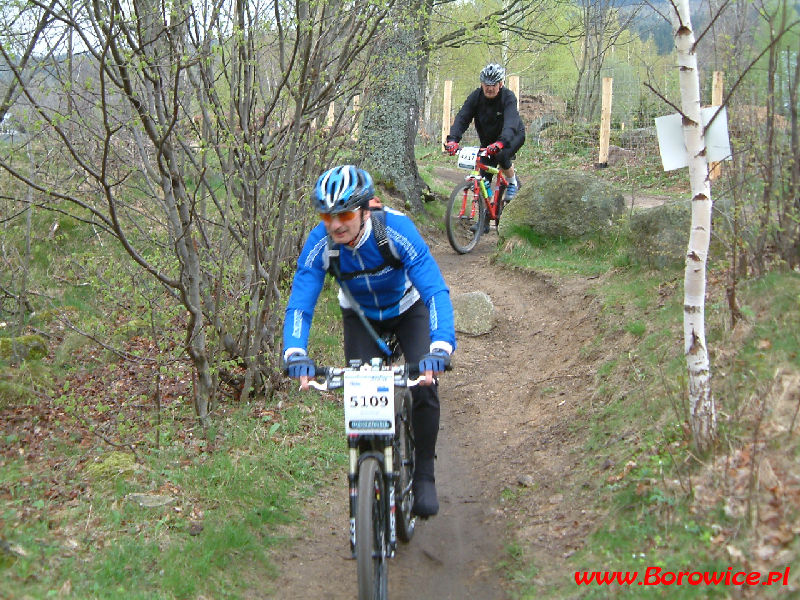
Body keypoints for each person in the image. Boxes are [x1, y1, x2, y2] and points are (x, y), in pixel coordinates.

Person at [282, 165, 456, 518]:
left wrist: (441, 346)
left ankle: (424, 474)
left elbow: (434, 290)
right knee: (359, 399)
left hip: (408, 310)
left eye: (344, 214)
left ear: (365, 209)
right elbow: (301, 300)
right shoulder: (321, 243)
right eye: (327, 215)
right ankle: (368, 476)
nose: (335, 225)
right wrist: (295, 351)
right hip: (361, 319)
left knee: (424, 385)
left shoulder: (395, 229)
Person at [444, 63, 526, 211]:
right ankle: (485, 219)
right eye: (486, 84)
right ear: (481, 83)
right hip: (489, 141)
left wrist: (501, 142)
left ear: (500, 84)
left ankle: (512, 182)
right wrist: (452, 140)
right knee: (483, 178)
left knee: (501, 155)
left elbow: (510, 122)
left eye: (493, 84)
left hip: (512, 135)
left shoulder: (508, 97)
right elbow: (463, 118)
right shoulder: (475, 97)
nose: (489, 88)